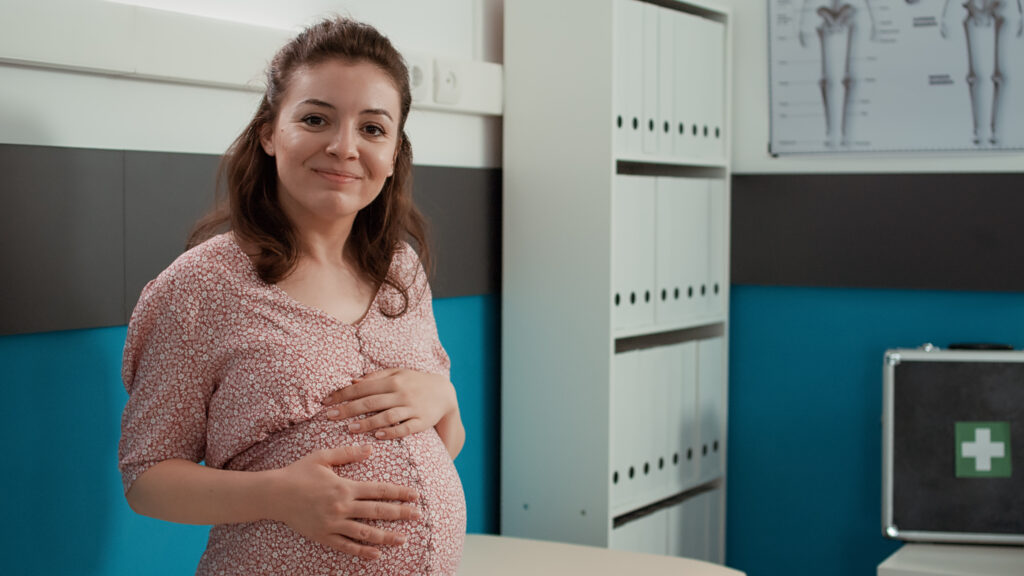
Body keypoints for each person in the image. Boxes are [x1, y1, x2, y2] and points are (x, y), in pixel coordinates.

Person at [118, 16, 466, 575]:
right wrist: (280, 494)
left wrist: (444, 399)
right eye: (315, 118)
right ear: (269, 132)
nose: (344, 147)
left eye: (373, 129)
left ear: (396, 151)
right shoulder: (201, 284)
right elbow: (147, 478)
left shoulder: (401, 270)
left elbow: (440, 444)